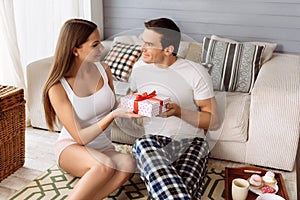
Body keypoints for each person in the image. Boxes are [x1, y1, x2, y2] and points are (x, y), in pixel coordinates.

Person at [42, 18, 141, 200]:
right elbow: (79, 137)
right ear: (75, 50)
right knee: (104, 166)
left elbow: (112, 105)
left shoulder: (104, 70)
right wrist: (112, 116)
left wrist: (133, 100)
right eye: (95, 44)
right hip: (72, 148)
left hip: (103, 148)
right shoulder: (57, 87)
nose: (102, 49)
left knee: (128, 163)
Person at [129, 18, 219, 199]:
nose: (141, 48)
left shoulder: (195, 72)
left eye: (148, 44)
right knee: (141, 144)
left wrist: (179, 112)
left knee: (176, 190)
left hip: (192, 143)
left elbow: (213, 121)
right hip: (152, 142)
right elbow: (132, 100)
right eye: (142, 42)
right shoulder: (139, 69)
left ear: (168, 50)